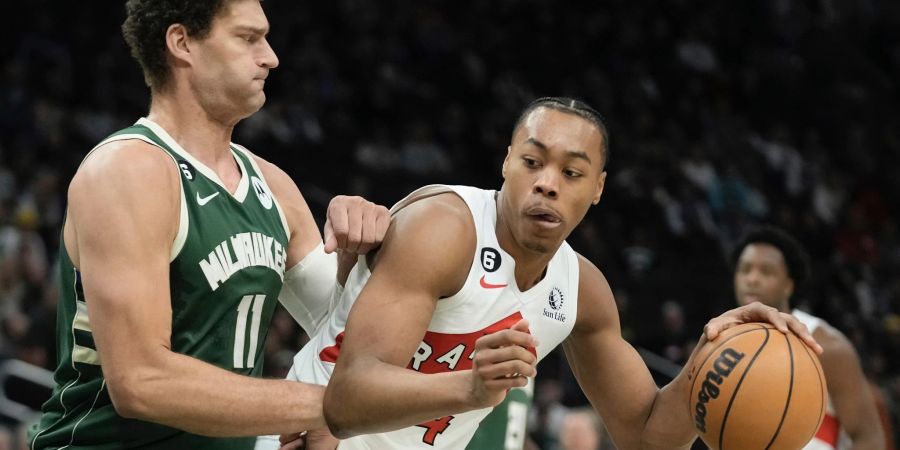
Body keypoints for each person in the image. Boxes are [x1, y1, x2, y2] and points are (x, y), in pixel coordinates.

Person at [264, 97, 821, 450]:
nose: (548, 183)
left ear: (598, 189)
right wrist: (471, 387)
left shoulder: (581, 288)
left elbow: (647, 434)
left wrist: (712, 356)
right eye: (532, 163)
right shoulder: (445, 229)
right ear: (506, 162)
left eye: (572, 172)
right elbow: (348, 398)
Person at [27, 0, 390, 448]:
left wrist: (355, 259)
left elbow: (342, 333)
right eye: (248, 37)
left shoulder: (273, 185)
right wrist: (322, 407)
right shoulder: (129, 169)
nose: (271, 56)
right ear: (182, 43)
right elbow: (142, 382)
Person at [733, 226, 886, 450]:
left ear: (788, 285)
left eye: (766, 272)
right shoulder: (723, 345)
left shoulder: (826, 345)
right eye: (745, 270)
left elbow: (869, 438)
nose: (752, 279)